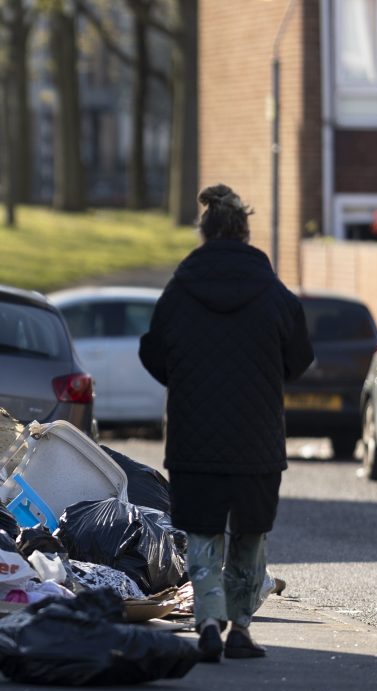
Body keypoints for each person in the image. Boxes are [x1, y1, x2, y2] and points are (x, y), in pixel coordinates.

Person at [138, 184, 314, 663]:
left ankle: (208, 622)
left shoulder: (180, 290)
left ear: (204, 231)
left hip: (195, 437)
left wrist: (185, 380)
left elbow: (152, 352)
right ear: (245, 232)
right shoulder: (273, 293)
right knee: (251, 534)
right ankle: (240, 627)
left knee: (202, 535)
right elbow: (300, 357)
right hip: (256, 440)